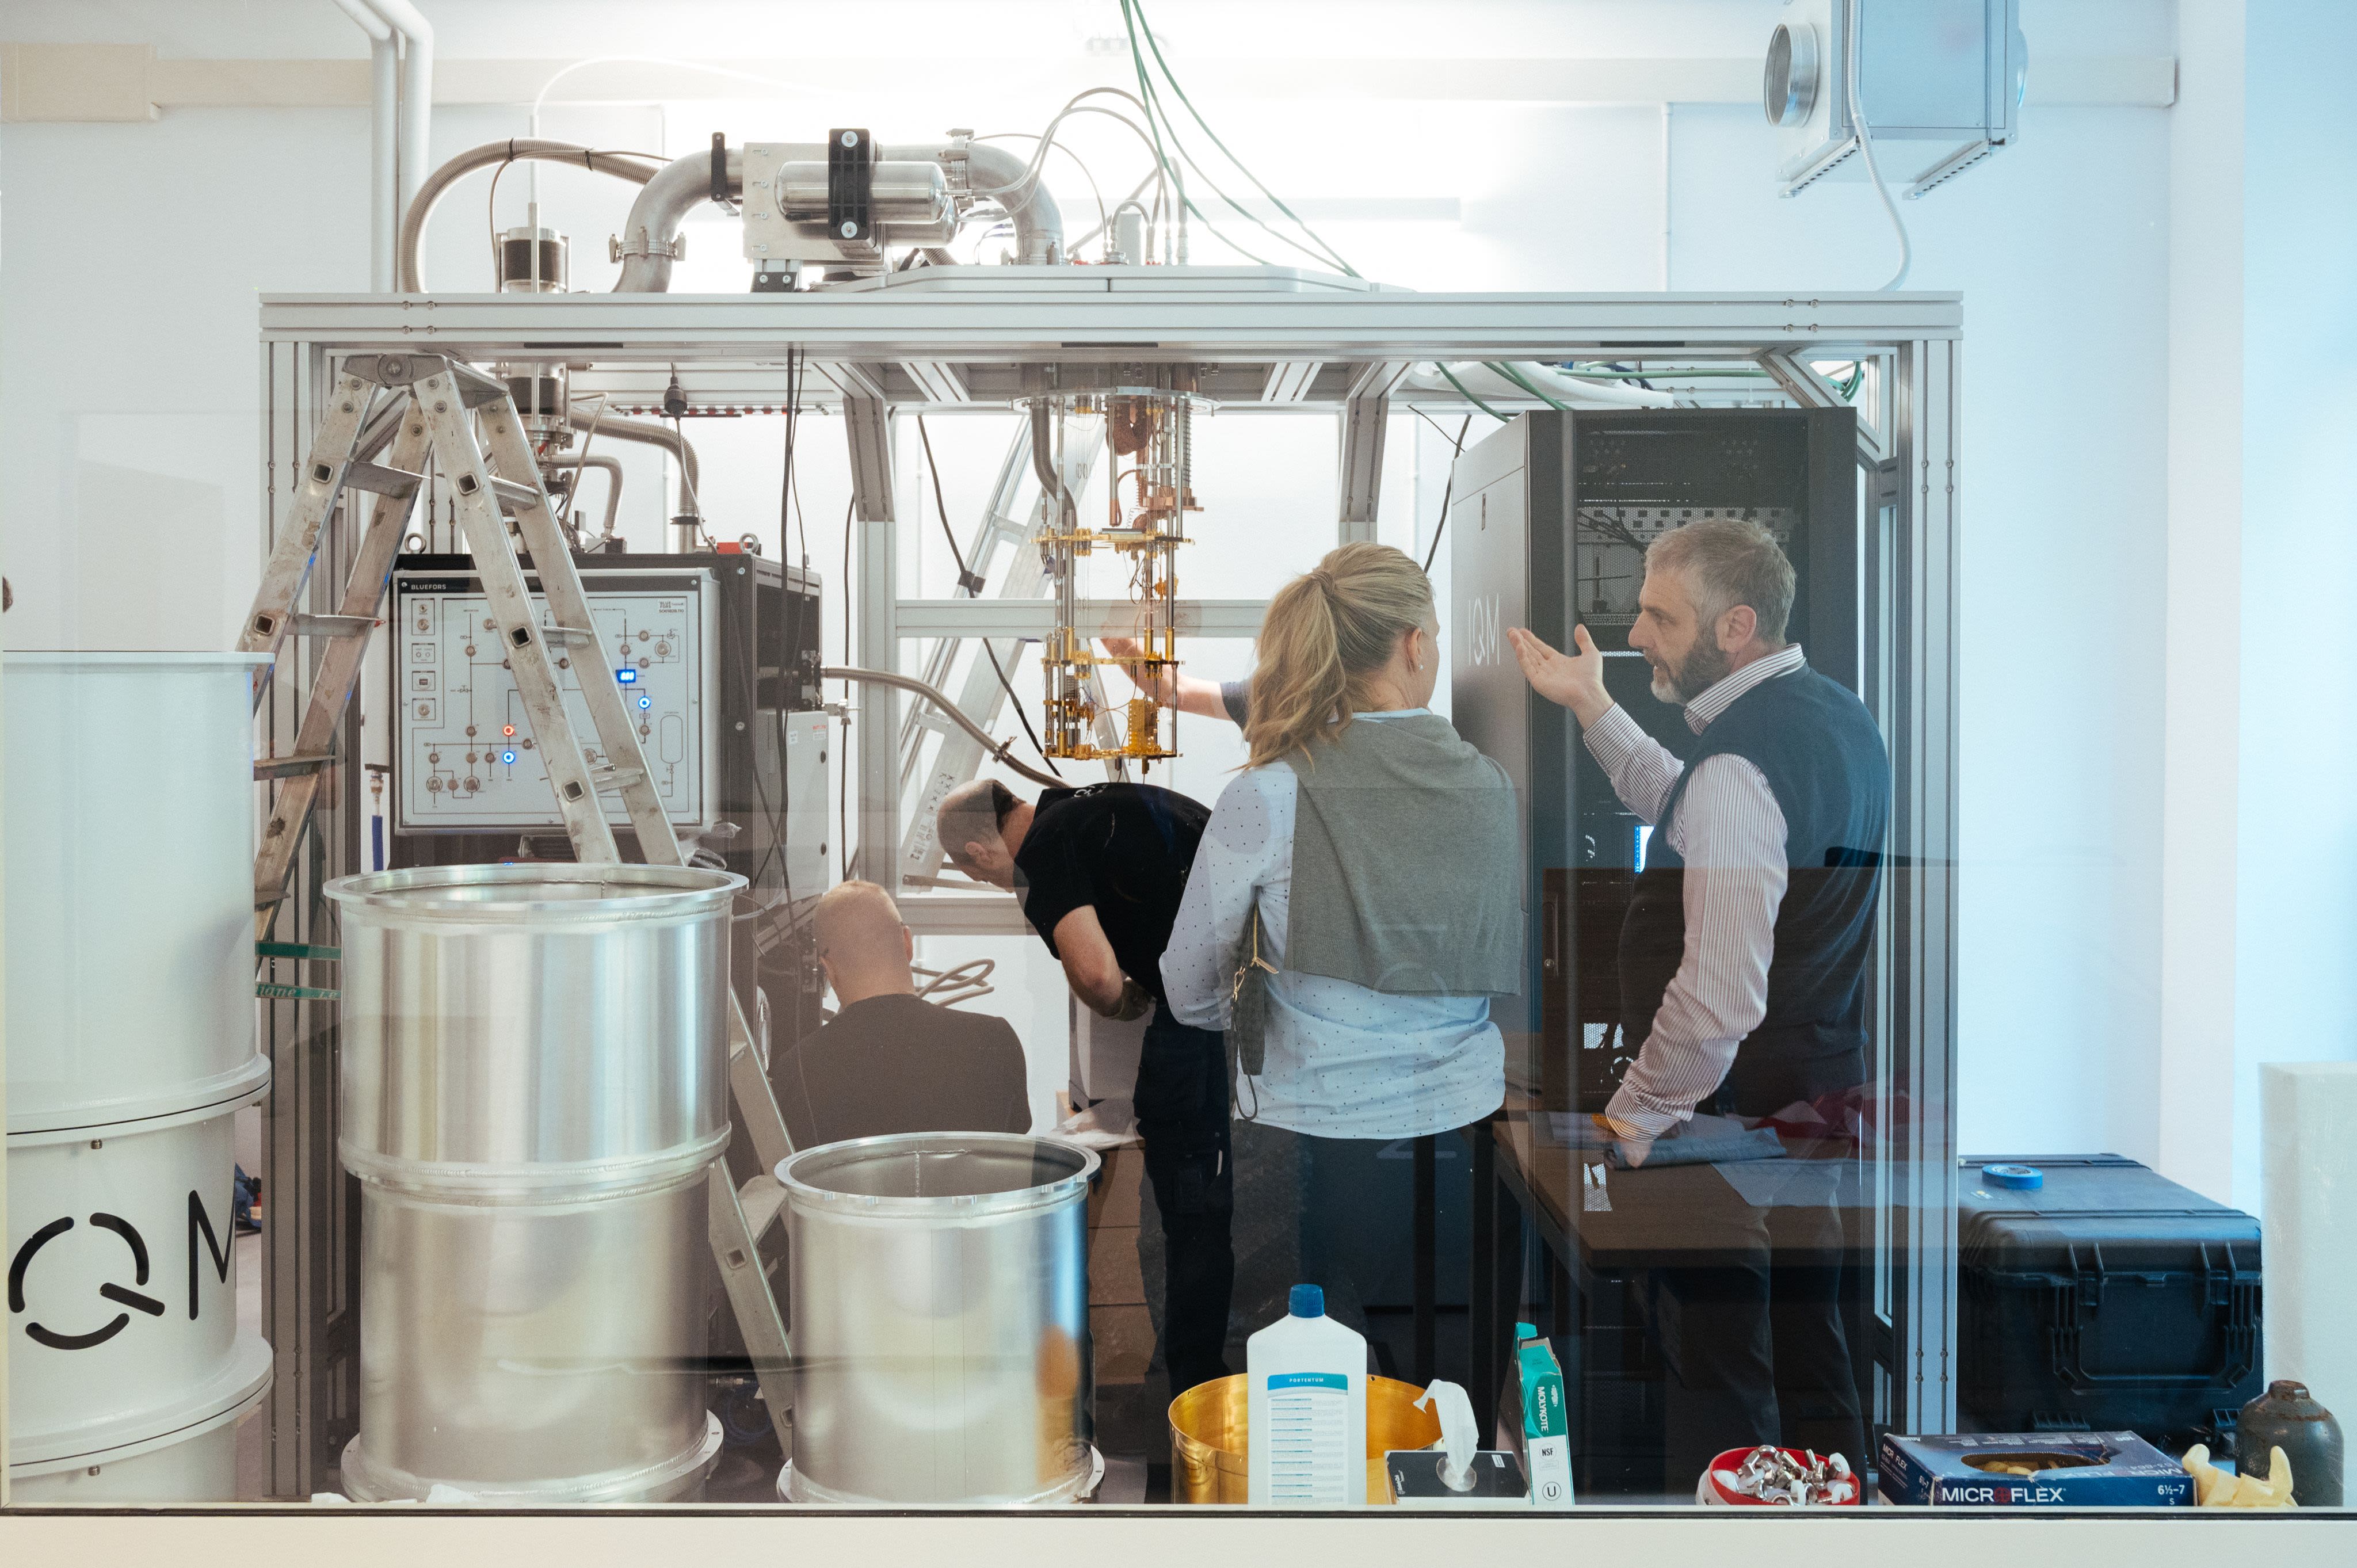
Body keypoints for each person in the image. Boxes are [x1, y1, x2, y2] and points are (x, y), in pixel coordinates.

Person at [1505, 516, 1889, 1487]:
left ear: (1735, 626)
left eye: (1658, 616)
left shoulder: (1739, 763)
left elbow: (1717, 997)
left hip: (1725, 1126)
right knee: (1816, 1350)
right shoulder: (1836, 717)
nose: (1635, 636)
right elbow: (1700, 810)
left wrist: (1633, 1115)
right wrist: (1594, 710)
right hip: (1815, 1099)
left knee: (1721, 1370)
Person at [1161, 541, 1521, 1341]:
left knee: (1330, 1406)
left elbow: (1188, 986)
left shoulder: (1268, 794)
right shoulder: (1494, 790)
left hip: (1316, 1148)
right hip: (1468, 1143)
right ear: (1415, 645)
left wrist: (1262, 1015)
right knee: (1451, 1412)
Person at [936, 772, 1233, 1397]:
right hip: (1246, 984)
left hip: (1205, 1006)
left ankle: (1191, 1380)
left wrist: (1127, 1002)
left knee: (1186, 1195)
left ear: (980, 854)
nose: (1001, 885)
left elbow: (1096, 977)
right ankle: (1198, 1363)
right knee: (1204, 1190)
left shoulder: (1042, 849)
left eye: (985, 878)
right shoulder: (1086, 804)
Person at [775, 879, 1031, 1149]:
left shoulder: (797, 1071)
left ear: (828, 969)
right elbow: (1014, 1159)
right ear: (907, 943)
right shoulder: (995, 1040)